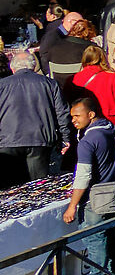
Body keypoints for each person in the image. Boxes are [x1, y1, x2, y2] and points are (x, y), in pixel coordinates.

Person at [61, 93, 115, 275]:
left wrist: (72, 205)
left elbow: (83, 176)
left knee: (95, 238)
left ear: (91, 114)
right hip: (111, 190)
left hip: (94, 197)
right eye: (71, 117)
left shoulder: (87, 141)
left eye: (77, 116)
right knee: (112, 233)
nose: (74, 121)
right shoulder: (110, 129)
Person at [0, 52, 70, 187]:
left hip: (7, 141)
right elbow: (62, 112)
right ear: (33, 67)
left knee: (11, 188)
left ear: (12, 68)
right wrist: (65, 137)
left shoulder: (2, 85)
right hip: (40, 140)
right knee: (38, 186)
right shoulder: (50, 84)